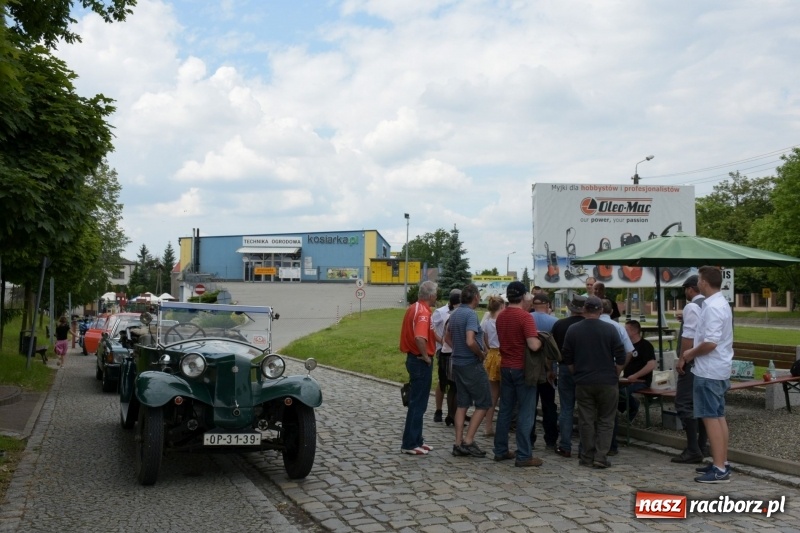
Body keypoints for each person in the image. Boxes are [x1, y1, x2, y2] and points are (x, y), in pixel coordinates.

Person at [679, 266, 734, 483]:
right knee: (718, 416)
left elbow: (710, 342)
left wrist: (690, 353)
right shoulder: (721, 303)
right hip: (718, 368)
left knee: (711, 418)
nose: (698, 282)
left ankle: (719, 468)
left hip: (709, 370)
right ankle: (722, 461)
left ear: (703, 282)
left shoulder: (712, 307)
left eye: (699, 279)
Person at [561, 296, 626, 469]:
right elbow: (621, 355)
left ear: (584, 309)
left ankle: (587, 456)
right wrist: (616, 372)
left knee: (586, 420)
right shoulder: (610, 329)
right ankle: (601, 456)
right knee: (606, 420)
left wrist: (575, 372)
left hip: (583, 381)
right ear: (600, 310)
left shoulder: (573, 330)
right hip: (607, 381)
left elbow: (566, 355)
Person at [493, 281, 543, 467]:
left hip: (505, 366)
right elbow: (533, 345)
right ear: (523, 296)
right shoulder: (525, 317)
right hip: (523, 369)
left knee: (505, 410)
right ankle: (524, 455)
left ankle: (500, 450)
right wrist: (542, 341)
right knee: (526, 411)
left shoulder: (501, 316)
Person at [446, 283, 492, 458]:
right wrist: (480, 355)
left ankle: (458, 443)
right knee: (484, 402)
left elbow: (447, 336)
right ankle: (469, 440)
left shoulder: (455, 313)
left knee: (463, 403)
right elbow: (470, 341)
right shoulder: (471, 314)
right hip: (471, 364)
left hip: (456, 362)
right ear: (475, 298)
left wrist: (456, 349)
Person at [671, 275, 709, 464]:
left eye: (685, 288)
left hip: (692, 361)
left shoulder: (692, 306)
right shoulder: (709, 305)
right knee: (701, 405)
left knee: (684, 403)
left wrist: (682, 359)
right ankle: (701, 446)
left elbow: (689, 336)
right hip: (707, 363)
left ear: (691, 289)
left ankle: (693, 449)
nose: (684, 292)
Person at [400, 280, 438, 455]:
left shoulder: (414, 308)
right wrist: (426, 357)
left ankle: (417, 439)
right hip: (420, 361)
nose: (437, 296)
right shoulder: (423, 312)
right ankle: (410, 443)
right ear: (430, 295)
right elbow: (420, 337)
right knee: (418, 403)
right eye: (436, 293)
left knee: (418, 402)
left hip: (413, 359)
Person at [609, 320, 656, 451]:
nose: (624, 332)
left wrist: (636, 375)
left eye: (627, 329)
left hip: (640, 381)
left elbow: (651, 364)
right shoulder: (626, 346)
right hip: (626, 379)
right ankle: (626, 409)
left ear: (635, 331)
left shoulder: (645, 346)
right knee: (613, 393)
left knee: (623, 393)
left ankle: (633, 408)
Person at [552, 294, 586, 458]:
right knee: (585, 410)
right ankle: (584, 448)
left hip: (564, 367)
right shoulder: (588, 325)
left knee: (566, 408)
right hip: (585, 369)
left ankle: (565, 445)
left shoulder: (559, 325)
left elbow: (552, 350)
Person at [529, 293, 558, 449]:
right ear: (548, 305)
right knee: (549, 405)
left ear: (533, 304)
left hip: (530, 368)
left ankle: (530, 438)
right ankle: (551, 439)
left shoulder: (527, 319)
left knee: (529, 405)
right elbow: (555, 350)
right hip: (548, 370)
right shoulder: (555, 322)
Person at [432, 289, 461, 425]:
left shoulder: (460, 312)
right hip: (443, 350)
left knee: (455, 383)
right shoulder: (440, 312)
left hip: (455, 350)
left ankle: (454, 412)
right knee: (443, 381)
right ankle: (438, 410)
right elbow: (431, 329)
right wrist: (442, 341)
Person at [482, 295, 504, 436]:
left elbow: (485, 341)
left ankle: (488, 425)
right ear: (501, 307)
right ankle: (502, 425)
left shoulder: (486, 322)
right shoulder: (503, 322)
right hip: (502, 355)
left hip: (491, 356)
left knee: (492, 394)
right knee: (506, 394)